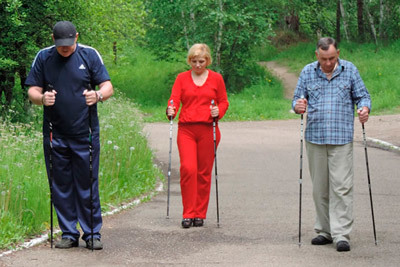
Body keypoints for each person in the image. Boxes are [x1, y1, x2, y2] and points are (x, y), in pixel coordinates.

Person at [26, 21, 113, 250]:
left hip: (85, 132)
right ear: (53, 39)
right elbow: (32, 90)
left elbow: (107, 86)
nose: (65, 49)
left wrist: (98, 96)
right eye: (60, 44)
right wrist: (42, 98)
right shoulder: (43, 57)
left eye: (69, 43)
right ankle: (68, 233)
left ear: (77, 36)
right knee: (60, 184)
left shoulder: (89, 55)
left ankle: (92, 233)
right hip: (56, 132)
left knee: (87, 183)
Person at [292, 37, 371, 252]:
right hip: (315, 137)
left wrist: (364, 109)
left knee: (342, 186)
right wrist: (298, 105)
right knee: (320, 188)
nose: (328, 63)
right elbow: (296, 100)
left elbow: (363, 96)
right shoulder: (308, 71)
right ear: (317, 55)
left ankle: (341, 233)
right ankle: (324, 231)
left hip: (341, 137)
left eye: (332, 58)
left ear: (338, 54)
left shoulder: (350, 70)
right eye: (324, 58)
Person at [167, 43, 229, 228]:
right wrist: (171, 109)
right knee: (188, 169)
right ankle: (188, 212)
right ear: (190, 61)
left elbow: (224, 101)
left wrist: (219, 110)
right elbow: (174, 98)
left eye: (201, 61)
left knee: (203, 172)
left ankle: (199, 213)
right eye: (194, 61)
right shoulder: (182, 78)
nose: (198, 65)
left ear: (207, 60)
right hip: (186, 129)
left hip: (208, 129)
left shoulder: (216, 79)